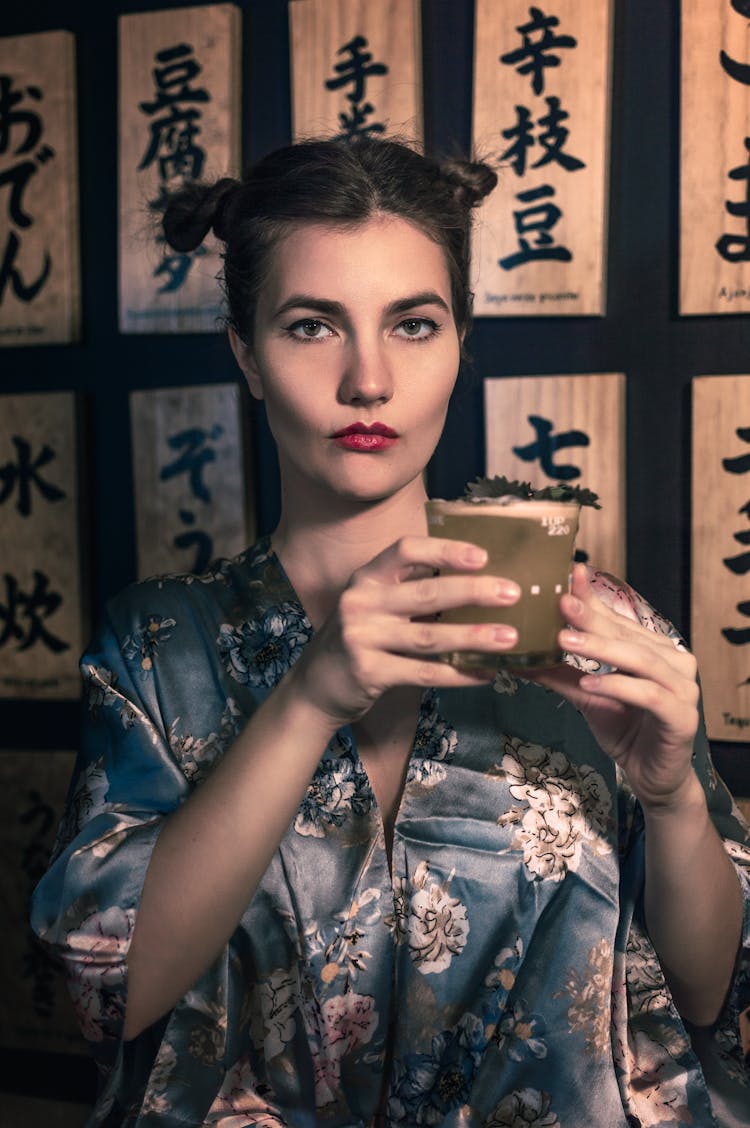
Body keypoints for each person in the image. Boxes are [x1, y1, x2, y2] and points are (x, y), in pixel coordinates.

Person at [32, 136, 749, 1127]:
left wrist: (670, 800)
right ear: (245, 350)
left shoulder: (591, 626)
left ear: (461, 337)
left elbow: (712, 1002)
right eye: (313, 326)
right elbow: (110, 996)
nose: (368, 380)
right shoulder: (162, 647)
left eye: (412, 324)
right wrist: (310, 696)